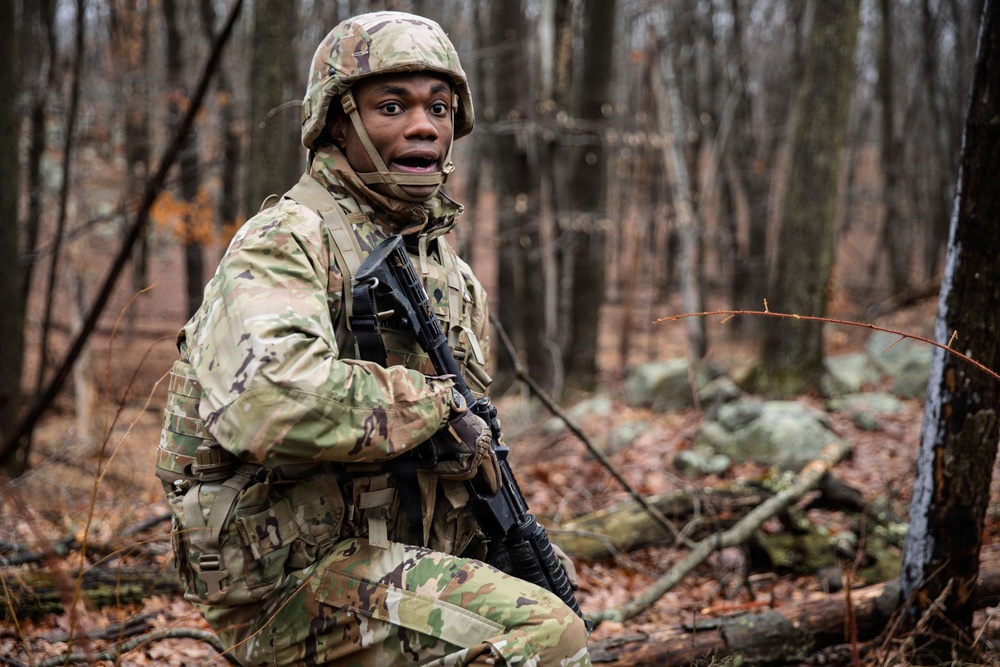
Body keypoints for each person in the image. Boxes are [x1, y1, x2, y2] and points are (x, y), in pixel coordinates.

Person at [156, 11, 592, 666]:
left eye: (440, 108)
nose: (424, 125)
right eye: (393, 106)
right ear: (338, 121)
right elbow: (271, 404)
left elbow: (454, 446)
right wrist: (430, 403)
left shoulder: (447, 271)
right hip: (291, 578)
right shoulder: (289, 238)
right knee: (545, 636)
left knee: (545, 597)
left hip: (386, 553)